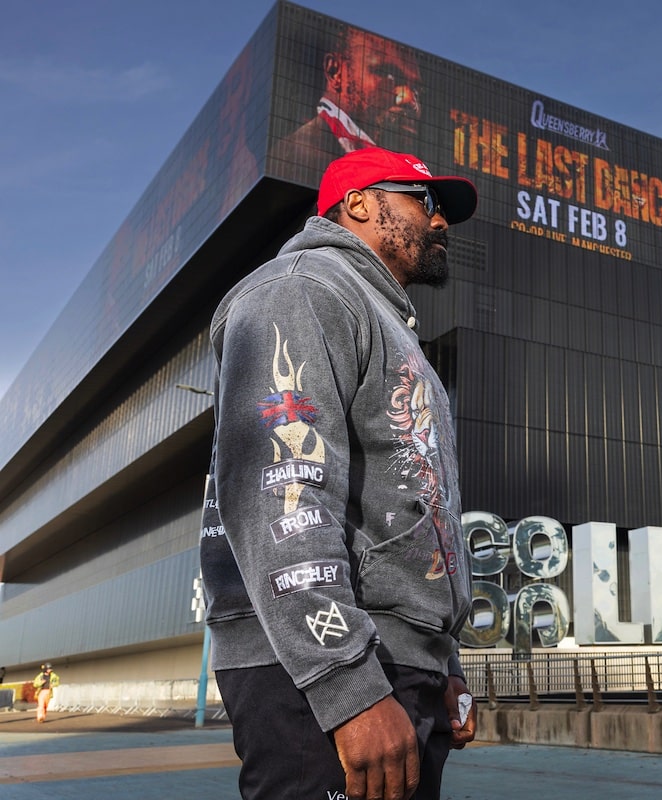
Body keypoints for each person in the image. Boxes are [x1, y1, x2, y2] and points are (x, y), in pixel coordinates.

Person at [201, 147, 479, 800]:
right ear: (359, 204)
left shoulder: (386, 322)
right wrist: (346, 687)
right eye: (424, 201)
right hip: (324, 670)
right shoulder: (301, 290)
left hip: (397, 663)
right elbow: (282, 491)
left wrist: (444, 659)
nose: (441, 223)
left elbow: (420, 509)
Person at [276, 26, 423, 169]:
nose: (408, 98)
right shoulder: (299, 153)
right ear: (335, 71)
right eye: (387, 74)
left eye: (416, 89)